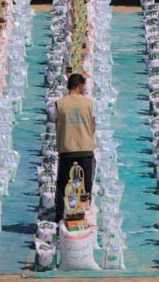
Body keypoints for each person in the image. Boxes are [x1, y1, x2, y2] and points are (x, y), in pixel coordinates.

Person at [54, 73, 95, 223]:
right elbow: (93, 126)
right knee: (86, 183)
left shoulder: (60, 103)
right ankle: (84, 212)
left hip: (67, 148)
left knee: (64, 184)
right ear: (80, 86)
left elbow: (56, 124)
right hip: (85, 148)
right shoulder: (89, 103)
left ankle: (60, 216)